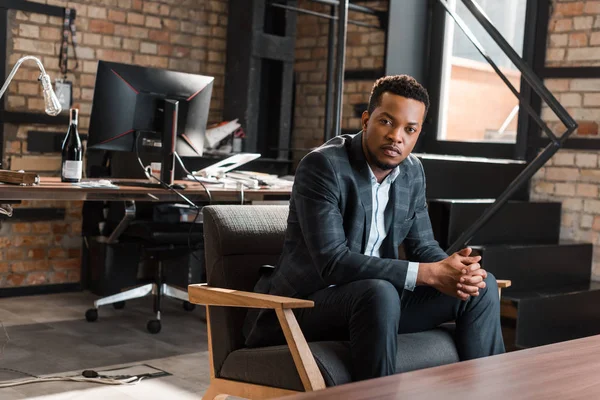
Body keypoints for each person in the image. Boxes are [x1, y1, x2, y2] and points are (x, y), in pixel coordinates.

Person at [243, 75, 504, 381]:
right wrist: (426, 273)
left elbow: (423, 247)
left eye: (410, 129)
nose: (397, 137)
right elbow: (333, 262)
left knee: (481, 288)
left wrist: (454, 270)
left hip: (379, 305)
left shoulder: (412, 171)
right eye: (386, 122)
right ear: (366, 120)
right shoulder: (322, 167)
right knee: (379, 293)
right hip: (303, 306)